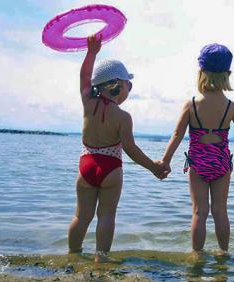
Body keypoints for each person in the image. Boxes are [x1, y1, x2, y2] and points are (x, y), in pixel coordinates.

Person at [161, 43, 234, 254]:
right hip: (221, 164)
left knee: (199, 213)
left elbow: (177, 135)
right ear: (227, 74)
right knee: (220, 212)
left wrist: (165, 161)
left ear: (201, 72)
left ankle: (197, 255)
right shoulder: (231, 107)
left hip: (197, 163)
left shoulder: (192, 105)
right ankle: (223, 254)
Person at [68, 35, 167, 263]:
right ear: (119, 86)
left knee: (81, 216)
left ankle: (72, 255)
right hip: (111, 168)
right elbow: (131, 149)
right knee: (106, 216)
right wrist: (153, 167)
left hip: (86, 165)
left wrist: (91, 52)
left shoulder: (88, 102)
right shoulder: (123, 117)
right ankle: (101, 259)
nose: (129, 89)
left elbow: (84, 77)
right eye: (128, 85)